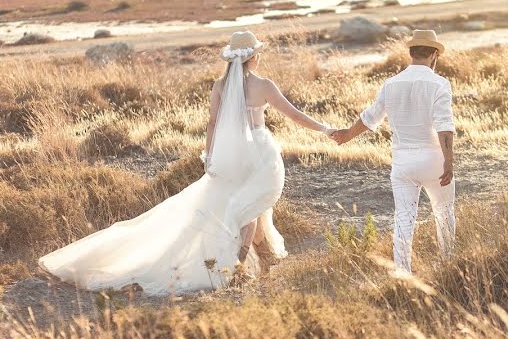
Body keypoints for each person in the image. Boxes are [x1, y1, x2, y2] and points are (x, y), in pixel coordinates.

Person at [39, 31, 334, 295]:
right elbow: (294, 115)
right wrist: (326, 129)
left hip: (229, 154)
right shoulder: (264, 85)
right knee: (250, 205)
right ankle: (239, 266)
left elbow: (212, 123)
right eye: (258, 54)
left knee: (245, 206)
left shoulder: (220, 85)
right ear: (253, 58)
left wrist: (210, 157)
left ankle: (252, 263)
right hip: (259, 153)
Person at [332, 30, 456, 274]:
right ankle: (448, 265)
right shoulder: (439, 83)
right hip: (433, 159)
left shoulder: (391, 84)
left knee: (404, 219)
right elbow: (444, 126)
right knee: (444, 212)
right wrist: (448, 161)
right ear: (433, 55)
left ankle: (403, 274)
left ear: (411, 53)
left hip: (403, 164)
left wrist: (346, 135)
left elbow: (369, 118)